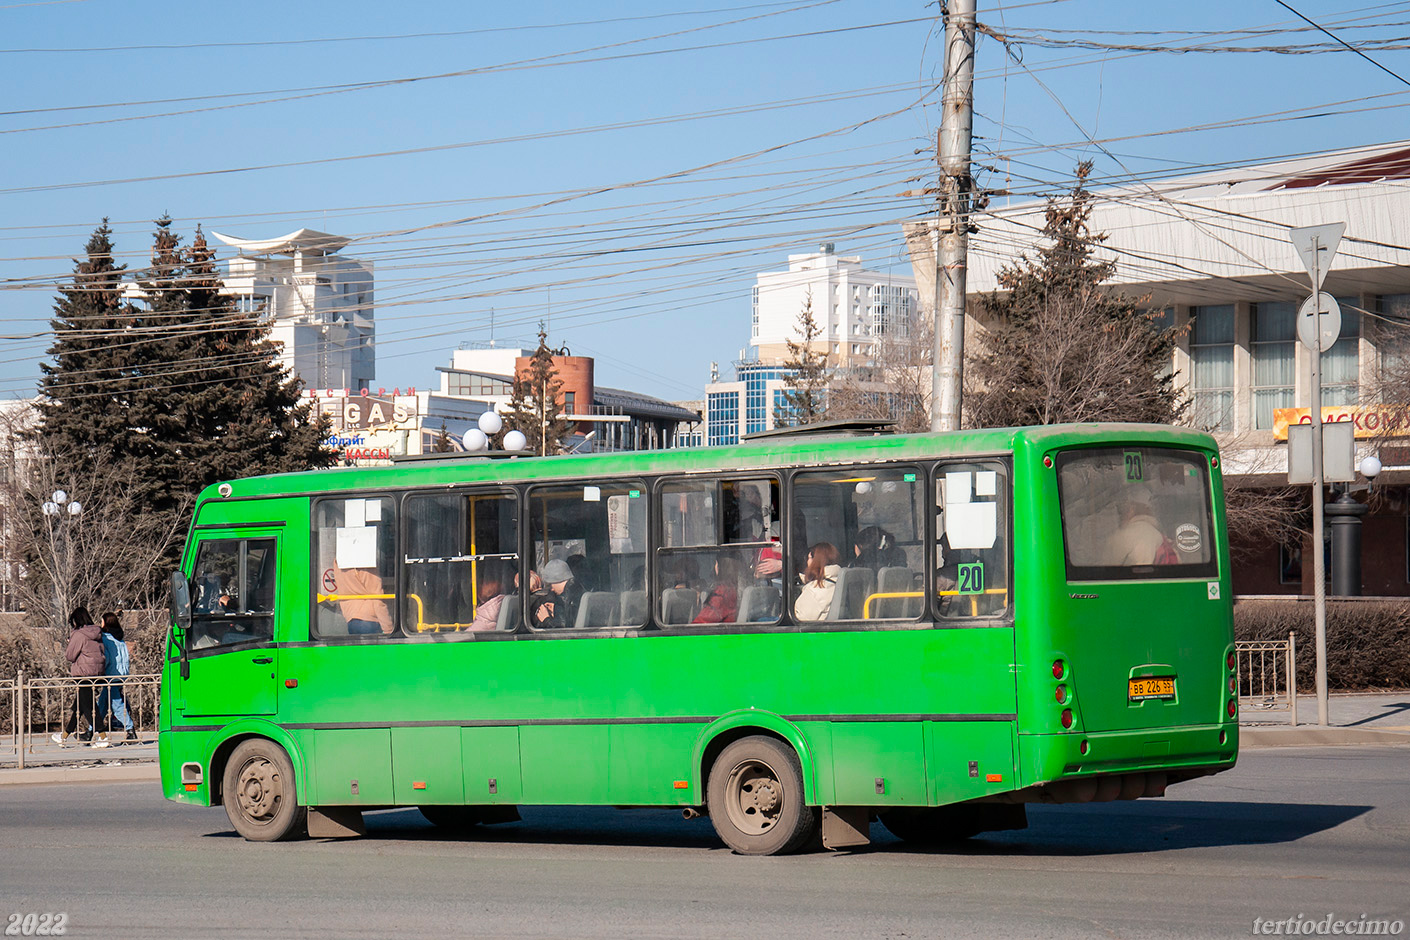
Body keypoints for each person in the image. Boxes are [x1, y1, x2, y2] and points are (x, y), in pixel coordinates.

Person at [52, 607, 108, 748]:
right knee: (79, 706)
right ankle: (64, 736)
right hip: (97, 672)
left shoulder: (79, 635)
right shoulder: (97, 633)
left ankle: (103, 736)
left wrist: (70, 641)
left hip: (83, 673)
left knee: (88, 707)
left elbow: (70, 656)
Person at [95, 611, 134, 743]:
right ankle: (92, 729)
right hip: (121, 675)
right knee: (102, 704)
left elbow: (107, 659)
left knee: (116, 705)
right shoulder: (120, 639)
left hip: (110, 676)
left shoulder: (106, 639)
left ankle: (130, 729)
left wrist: (100, 672)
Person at [1105, 484, 1165, 566]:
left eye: (1121, 510)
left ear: (1131, 509)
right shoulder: (1159, 534)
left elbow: (1106, 569)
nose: (1119, 515)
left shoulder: (1124, 536)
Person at [333, 565, 394, 634]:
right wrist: (388, 629)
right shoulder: (366, 566)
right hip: (370, 620)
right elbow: (377, 599)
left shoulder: (339, 564)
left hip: (351, 619)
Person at [794, 542, 842, 621]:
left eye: (809, 558)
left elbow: (801, 620)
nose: (807, 562)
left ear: (815, 561)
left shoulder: (815, 588)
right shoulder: (837, 580)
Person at [530, 559, 581, 629]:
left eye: (551, 584)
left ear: (557, 581)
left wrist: (546, 619)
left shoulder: (570, 599)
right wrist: (555, 608)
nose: (551, 589)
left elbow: (564, 631)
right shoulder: (577, 592)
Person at [693, 555, 744, 624]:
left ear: (720, 568)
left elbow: (701, 623)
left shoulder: (721, 594)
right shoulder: (737, 588)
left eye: (716, 564)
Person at [468, 565, 509, 632]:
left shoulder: (486, 619)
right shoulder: (505, 604)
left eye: (481, 583)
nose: (475, 588)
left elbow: (463, 640)